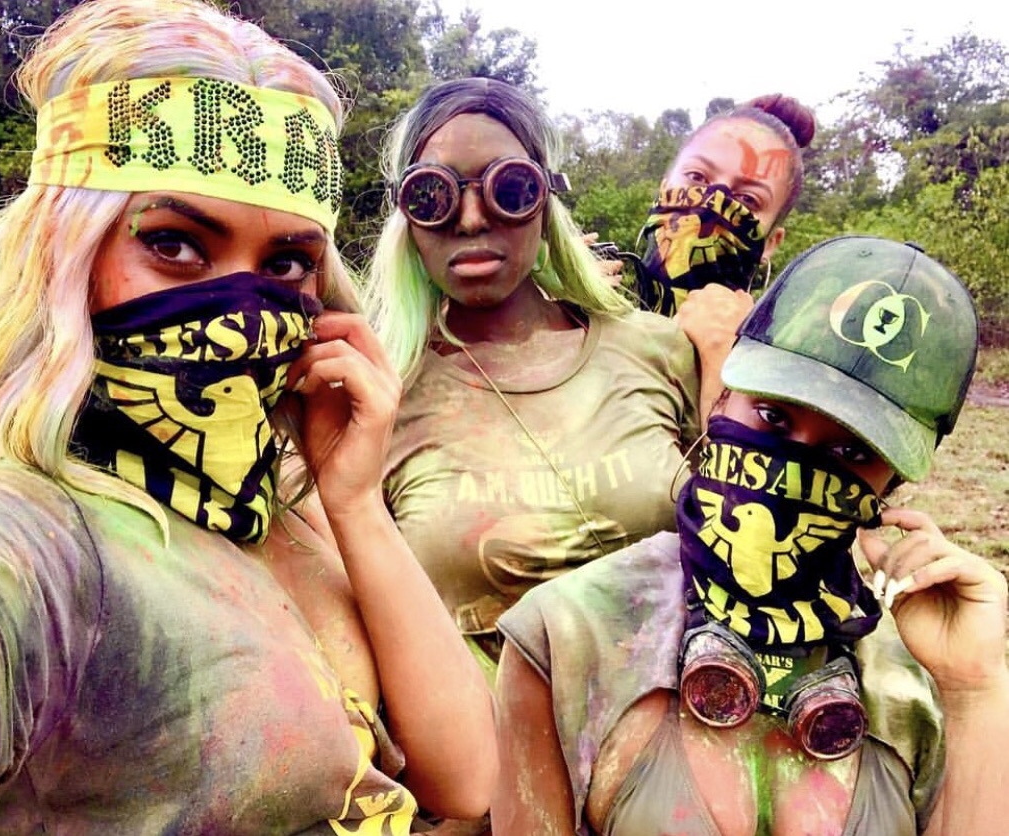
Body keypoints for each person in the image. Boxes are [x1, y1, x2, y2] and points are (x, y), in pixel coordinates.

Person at [0, 1, 496, 833]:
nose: (239, 307)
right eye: (174, 243)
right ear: (69, 253)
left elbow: (466, 781)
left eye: (284, 261)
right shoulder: (13, 542)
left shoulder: (284, 503)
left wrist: (353, 503)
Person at [492, 235, 1009, 835]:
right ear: (723, 394)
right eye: (772, 417)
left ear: (889, 483)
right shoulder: (572, 632)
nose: (790, 465)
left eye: (850, 451)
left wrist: (974, 689)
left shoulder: (919, 670)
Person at [363, 77, 702, 677]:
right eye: (432, 197)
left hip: (681, 738)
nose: (470, 220)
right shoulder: (380, 396)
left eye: (508, 189)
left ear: (545, 202)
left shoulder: (656, 349)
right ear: (406, 220)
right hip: (485, 755)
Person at [630, 94, 817, 425]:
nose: (711, 203)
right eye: (698, 178)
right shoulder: (588, 300)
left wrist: (723, 363)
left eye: (747, 199)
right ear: (663, 188)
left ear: (771, 242)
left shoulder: (786, 367)